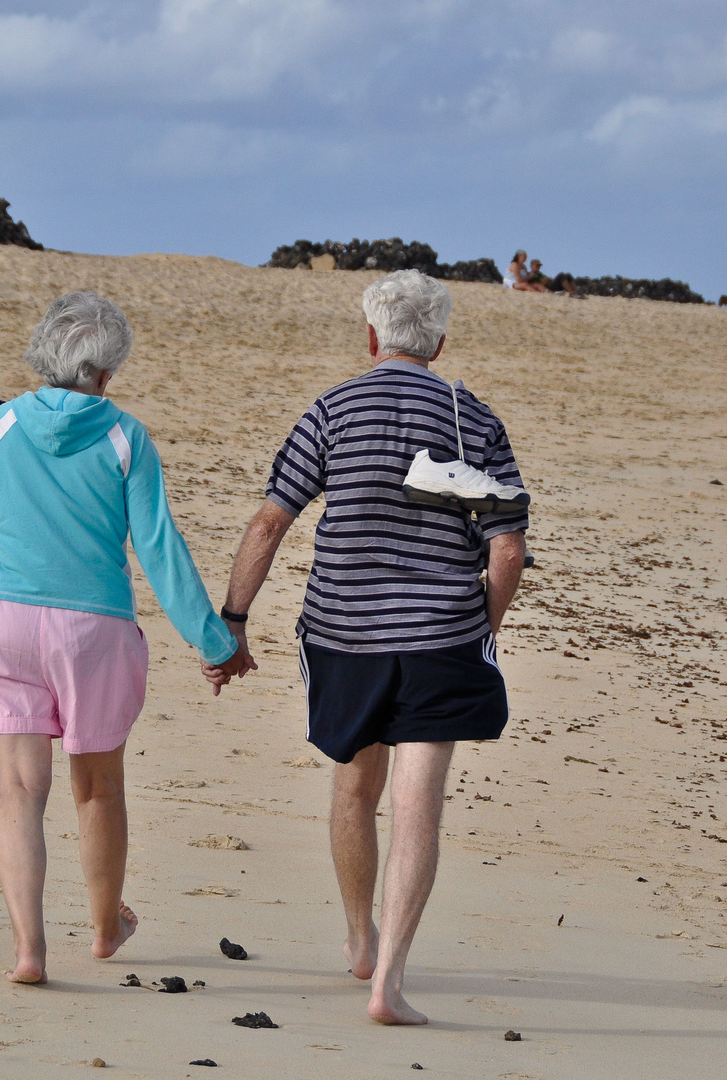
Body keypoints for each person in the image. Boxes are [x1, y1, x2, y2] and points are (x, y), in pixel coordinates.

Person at [208, 270, 529, 1025]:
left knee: (355, 789)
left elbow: (269, 523)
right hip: (440, 637)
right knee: (418, 806)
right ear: (440, 341)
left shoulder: (332, 408)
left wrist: (233, 618)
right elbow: (506, 550)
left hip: (344, 633)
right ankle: (388, 982)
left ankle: (359, 939)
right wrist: (481, 628)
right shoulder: (471, 417)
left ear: (371, 335)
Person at [0, 291, 252, 985]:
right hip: (94, 631)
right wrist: (213, 642)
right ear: (106, 370)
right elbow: (159, 548)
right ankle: (105, 930)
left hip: (2, 622)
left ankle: (29, 950)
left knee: (17, 789)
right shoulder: (126, 435)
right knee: (97, 787)